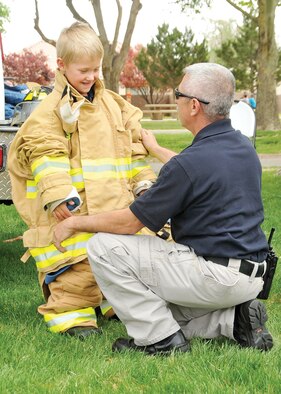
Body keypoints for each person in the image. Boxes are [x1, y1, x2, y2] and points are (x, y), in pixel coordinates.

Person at [53, 62, 273, 354]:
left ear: (194, 106)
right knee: (161, 309)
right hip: (251, 277)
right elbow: (195, 168)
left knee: (103, 248)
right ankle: (235, 320)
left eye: (178, 93)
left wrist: (73, 223)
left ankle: (160, 340)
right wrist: (155, 149)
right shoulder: (242, 147)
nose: (176, 98)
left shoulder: (189, 165)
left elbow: (129, 223)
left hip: (214, 276)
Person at [8, 22, 157, 339]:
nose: (91, 77)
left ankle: (114, 301)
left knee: (120, 255)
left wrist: (144, 182)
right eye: (83, 70)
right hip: (76, 206)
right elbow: (45, 153)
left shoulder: (114, 107)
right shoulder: (50, 112)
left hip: (114, 203)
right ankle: (72, 313)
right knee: (78, 266)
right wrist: (58, 195)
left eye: (96, 69)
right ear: (61, 65)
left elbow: (132, 151)